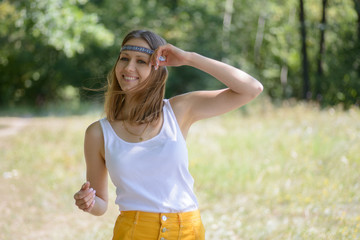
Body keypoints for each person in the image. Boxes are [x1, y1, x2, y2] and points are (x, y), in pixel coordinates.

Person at [73, 29, 263, 240]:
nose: (129, 67)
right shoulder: (98, 133)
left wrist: (189, 58)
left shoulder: (179, 110)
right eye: (124, 59)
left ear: (157, 68)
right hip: (134, 232)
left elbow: (251, 89)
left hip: (187, 231)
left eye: (142, 61)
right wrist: (88, 202)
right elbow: (100, 204)